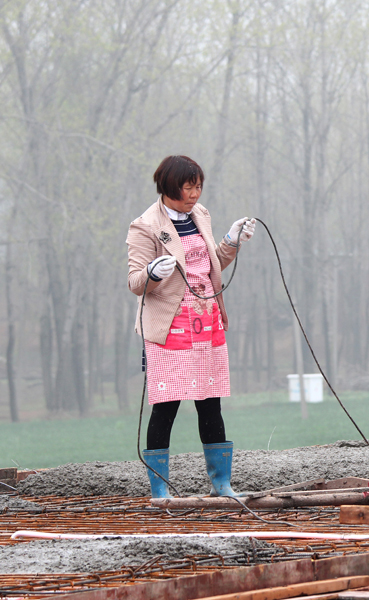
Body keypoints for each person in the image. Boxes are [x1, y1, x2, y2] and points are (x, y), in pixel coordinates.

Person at [127, 155, 256, 498]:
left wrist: (231, 242)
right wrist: (153, 273)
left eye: (199, 186)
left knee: (210, 402)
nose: (195, 193)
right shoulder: (144, 226)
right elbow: (136, 282)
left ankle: (222, 484)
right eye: (189, 186)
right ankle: (159, 490)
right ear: (170, 186)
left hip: (206, 320)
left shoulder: (201, 216)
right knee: (166, 404)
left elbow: (211, 265)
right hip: (170, 327)